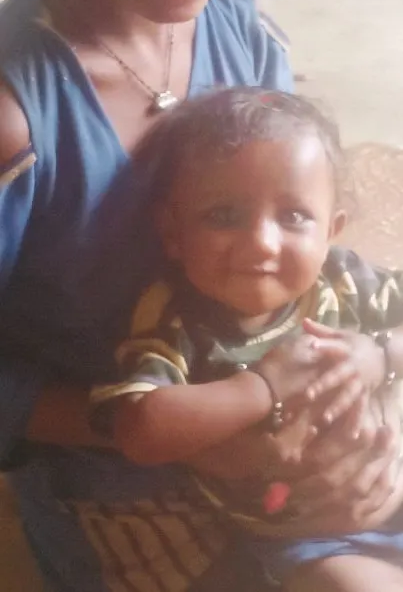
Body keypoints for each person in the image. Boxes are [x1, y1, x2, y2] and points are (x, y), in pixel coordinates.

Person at [0, 0, 401, 591]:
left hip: (269, 393)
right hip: (122, 471)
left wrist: (360, 374)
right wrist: (213, 424)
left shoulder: (234, 11)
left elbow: (298, 228)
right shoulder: (16, 122)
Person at [89, 87, 403, 591]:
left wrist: (380, 353)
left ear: (332, 230)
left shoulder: (343, 279)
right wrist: (261, 389)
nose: (261, 241)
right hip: (313, 534)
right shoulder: (178, 320)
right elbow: (139, 428)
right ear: (173, 233)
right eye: (223, 216)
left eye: (294, 216)